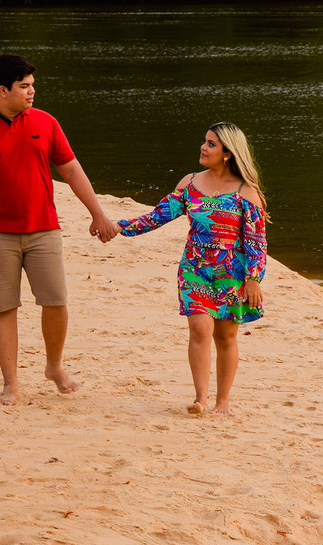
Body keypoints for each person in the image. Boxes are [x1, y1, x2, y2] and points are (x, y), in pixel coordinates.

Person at [0, 54, 117, 405]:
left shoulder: (46, 122)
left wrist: (98, 214)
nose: (32, 92)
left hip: (44, 229)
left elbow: (72, 171)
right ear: (3, 90)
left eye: (32, 85)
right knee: (4, 307)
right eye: (24, 86)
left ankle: (54, 367)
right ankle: (11, 384)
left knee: (56, 302)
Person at [113, 122, 267, 415]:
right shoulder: (190, 183)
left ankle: (222, 401)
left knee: (225, 337)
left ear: (227, 154)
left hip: (231, 273)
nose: (203, 147)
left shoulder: (246, 193)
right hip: (195, 268)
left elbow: (256, 242)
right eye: (205, 141)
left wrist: (254, 279)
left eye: (211, 144)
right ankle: (201, 399)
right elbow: (158, 216)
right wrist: (119, 227)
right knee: (199, 328)